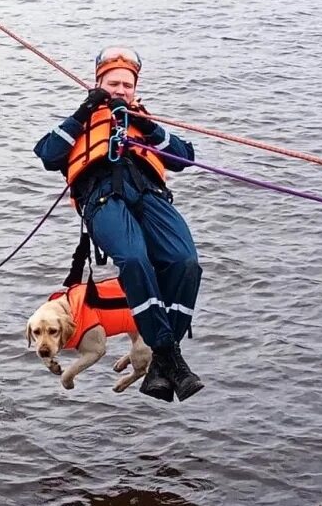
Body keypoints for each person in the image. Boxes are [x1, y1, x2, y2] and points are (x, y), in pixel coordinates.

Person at [33, 46, 204, 403]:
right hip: (102, 199)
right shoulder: (82, 121)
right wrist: (84, 110)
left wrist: (145, 124)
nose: (121, 90)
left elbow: (184, 158)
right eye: (113, 83)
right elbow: (48, 153)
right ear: (98, 84)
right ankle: (169, 356)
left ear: (136, 89)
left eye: (127, 84)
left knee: (185, 262)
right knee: (134, 258)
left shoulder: (144, 123)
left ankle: (162, 360)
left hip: (150, 196)